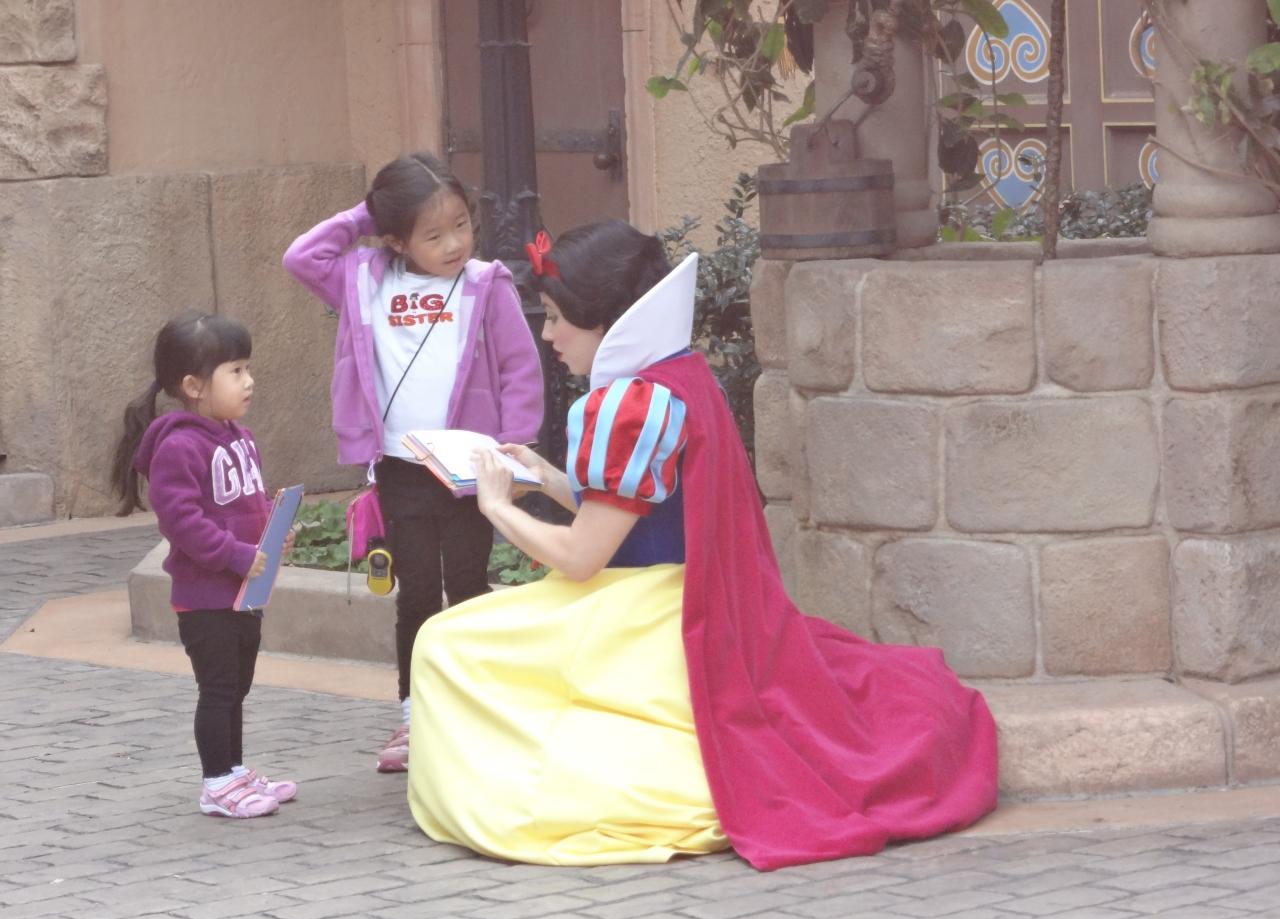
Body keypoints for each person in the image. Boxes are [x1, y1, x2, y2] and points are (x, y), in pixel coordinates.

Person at [406, 221, 999, 870]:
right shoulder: (678, 378)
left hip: (651, 610)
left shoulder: (629, 405)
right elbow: (640, 513)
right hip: (678, 593)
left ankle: (539, 792)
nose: (547, 336)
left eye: (553, 318)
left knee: (443, 645)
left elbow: (580, 557)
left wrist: (496, 505)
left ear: (600, 318)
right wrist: (546, 478)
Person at [283, 153, 543, 772]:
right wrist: (367, 214)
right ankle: (415, 717)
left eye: (461, 225)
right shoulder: (364, 279)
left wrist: (514, 446)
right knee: (417, 593)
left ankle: (478, 711)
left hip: (471, 467)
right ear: (396, 238)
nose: (454, 243)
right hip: (402, 468)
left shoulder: (486, 284)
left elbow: (519, 366)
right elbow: (301, 258)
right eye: (433, 234)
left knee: (470, 589)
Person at [111, 311, 297, 819]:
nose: (248, 380)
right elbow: (182, 522)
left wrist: (274, 529)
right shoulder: (178, 446)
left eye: (247, 368)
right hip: (205, 598)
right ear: (193, 386)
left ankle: (234, 770)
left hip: (244, 593)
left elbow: (245, 504)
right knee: (217, 689)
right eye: (235, 371)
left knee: (237, 685)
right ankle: (216, 783)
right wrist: (236, 555)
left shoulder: (240, 437)